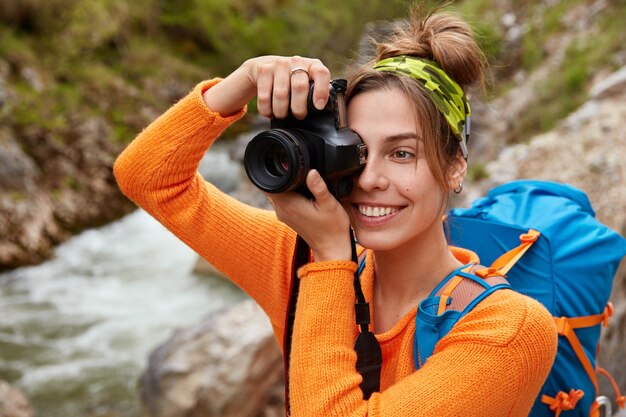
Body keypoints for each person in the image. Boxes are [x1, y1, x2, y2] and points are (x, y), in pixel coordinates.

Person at [114, 6, 558, 416]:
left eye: (402, 154)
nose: (370, 179)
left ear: (455, 166)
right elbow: (147, 177)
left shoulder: (509, 331)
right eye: (358, 152)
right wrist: (244, 82)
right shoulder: (295, 256)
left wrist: (330, 259)